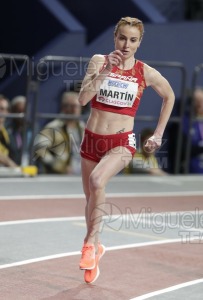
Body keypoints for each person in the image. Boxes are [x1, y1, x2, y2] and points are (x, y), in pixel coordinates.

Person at [78, 16, 175, 284]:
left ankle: (89, 242)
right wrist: (106, 71)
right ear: (115, 38)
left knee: (98, 180)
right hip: (91, 140)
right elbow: (83, 99)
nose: (126, 44)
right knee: (90, 199)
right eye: (122, 38)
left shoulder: (145, 72)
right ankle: (96, 250)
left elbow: (169, 96)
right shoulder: (99, 61)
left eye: (133, 40)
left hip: (121, 142)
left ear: (139, 42)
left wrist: (158, 134)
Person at [38, 91, 85, 174]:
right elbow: (40, 149)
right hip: (61, 177)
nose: (74, 110)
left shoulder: (83, 127)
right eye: (70, 106)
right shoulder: (53, 127)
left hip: (81, 175)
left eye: (76, 106)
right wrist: (57, 166)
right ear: (63, 108)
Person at [7, 95, 32, 166]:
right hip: (12, 169)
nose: (22, 115)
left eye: (24, 111)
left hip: (32, 169)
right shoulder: (6, 129)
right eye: (19, 111)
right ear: (12, 111)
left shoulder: (34, 127)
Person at [183, 87, 203, 173]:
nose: (199, 104)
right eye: (197, 101)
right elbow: (184, 148)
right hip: (193, 170)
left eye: (202, 101)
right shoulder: (185, 121)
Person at [0, 94, 18, 167]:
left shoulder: (6, 131)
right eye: (0, 108)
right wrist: (11, 164)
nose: (2, 112)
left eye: (5, 109)